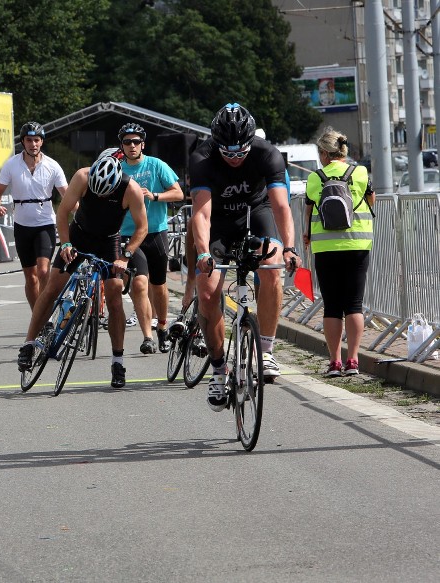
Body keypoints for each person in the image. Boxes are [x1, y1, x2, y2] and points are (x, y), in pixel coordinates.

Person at [188, 103, 301, 412]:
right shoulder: (202, 157)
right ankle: (218, 369)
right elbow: (201, 212)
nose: (235, 159)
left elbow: (280, 207)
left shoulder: (267, 153)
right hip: (219, 224)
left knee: (271, 268)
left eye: (241, 153)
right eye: (228, 153)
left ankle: (266, 349)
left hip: (256, 213)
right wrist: (201, 253)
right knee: (208, 291)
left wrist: (289, 247)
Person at [17, 151, 147, 388]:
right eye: (96, 192)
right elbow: (63, 212)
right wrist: (65, 243)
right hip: (79, 235)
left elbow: (142, 228)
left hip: (109, 241)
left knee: (115, 296)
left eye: (105, 192)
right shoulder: (82, 177)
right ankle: (28, 343)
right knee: (53, 287)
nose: (100, 195)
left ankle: (118, 360)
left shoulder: (132, 189)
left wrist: (125, 257)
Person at [303, 127, 373, 377]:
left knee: (332, 306)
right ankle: (353, 360)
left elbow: (309, 208)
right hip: (357, 244)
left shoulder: (316, 177)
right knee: (354, 304)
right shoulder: (360, 172)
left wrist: (307, 236)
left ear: (324, 152)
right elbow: (370, 199)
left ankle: (334, 362)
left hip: (325, 247)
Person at [116, 122, 185, 354]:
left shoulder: (156, 165)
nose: (132, 146)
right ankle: (147, 336)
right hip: (129, 234)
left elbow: (179, 193)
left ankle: (162, 327)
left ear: (142, 144)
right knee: (139, 282)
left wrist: (154, 195)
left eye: (136, 142)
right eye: (127, 142)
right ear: (122, 146)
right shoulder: (117, 169)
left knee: (159, 285)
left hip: (156, 232)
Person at [0, 122, 68, 308]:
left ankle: (45, 312)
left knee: (43, 271)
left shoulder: (52, 165)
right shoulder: (12, 164)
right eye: (29, 140)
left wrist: (82, 214)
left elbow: (67, 195)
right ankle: (37, 316)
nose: (33, 144)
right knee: (31, 277)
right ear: (23, 142)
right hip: (22, 225)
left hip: (45, 224)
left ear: (42, 142)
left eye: (37, 140)